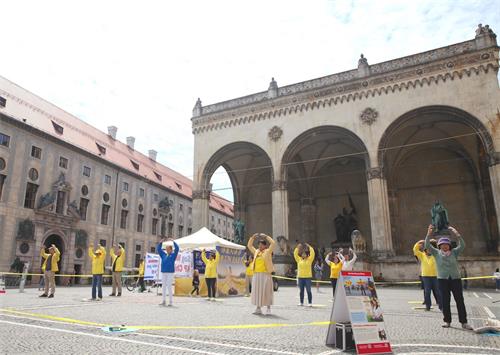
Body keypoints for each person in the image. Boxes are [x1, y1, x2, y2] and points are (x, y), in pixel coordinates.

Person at [425, 224, 472, 329]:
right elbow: (427, 245)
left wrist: (457, 234)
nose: (444, 246)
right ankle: (447, 321)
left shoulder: (454, 252)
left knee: (459, 300)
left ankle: (464, 322)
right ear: (439, 246)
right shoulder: (436, 253)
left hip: (455, 279)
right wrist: (428, 234)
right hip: (442, 280)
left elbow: (463, 245)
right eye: (442, 245)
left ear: (449, 245)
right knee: (445, 301)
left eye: (446, 244)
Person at [247, 233, 275, 315]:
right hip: (256, 274)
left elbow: (273, 243)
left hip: (265, 274)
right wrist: (252, 237)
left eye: (261, 245)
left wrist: (266, 236)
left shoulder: (268, 252)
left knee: (267, 291)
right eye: (259, 245)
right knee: (257, 291)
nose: (260, 246)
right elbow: (249, 246)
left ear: (265, 246)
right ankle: (258, 308)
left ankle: (268, 308)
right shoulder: (256, 252)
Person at [413, 239, 441, 311]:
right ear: (425, 250)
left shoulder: (436, 255)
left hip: (435, 276)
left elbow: (439, 251)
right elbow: (415, 250)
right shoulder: (422, 255)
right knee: (427, 292)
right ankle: (428, 306)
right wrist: (419, 242)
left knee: (438, 292)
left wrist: (436, 243)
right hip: (425, 276)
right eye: (427, 249)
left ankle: (441, 306)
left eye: (430, 249)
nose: (429, 250)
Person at [157, 238, 179, 307]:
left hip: (170, 272)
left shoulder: (173, 255)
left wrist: (173, 241)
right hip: (164, 272)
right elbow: (158, 249)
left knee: (169, 286)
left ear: (171, 249)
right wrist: (161, 242)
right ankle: (163, 301)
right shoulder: (163, 255)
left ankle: (171, 301)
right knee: (163, 286)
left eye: (168, 249)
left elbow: (177, 248)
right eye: (166, 249)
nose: (166, 250)